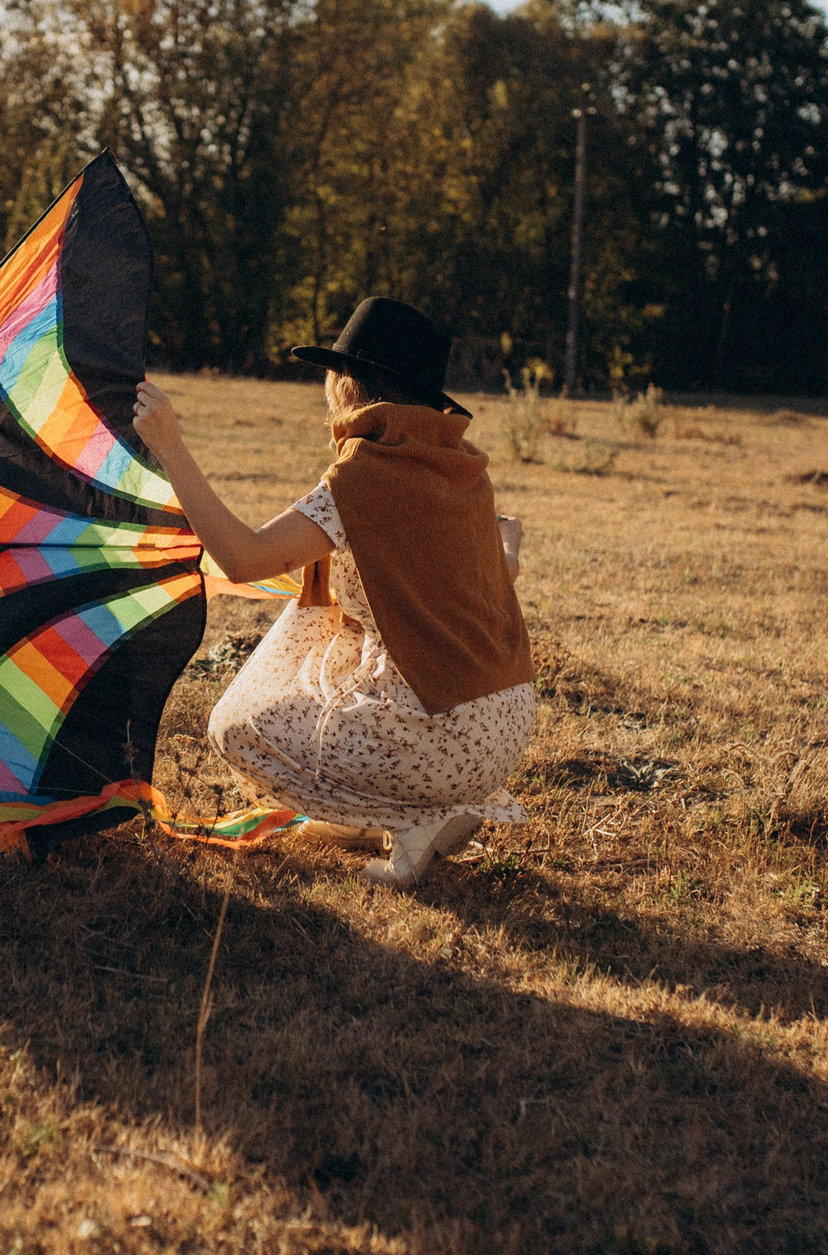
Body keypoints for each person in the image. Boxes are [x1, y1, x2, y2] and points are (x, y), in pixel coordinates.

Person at [131, 297, 536, 888]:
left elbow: (242, 558)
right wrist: (509, 547)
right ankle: (411, 813)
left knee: (236, 729)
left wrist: (169, 445)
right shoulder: (461, 464)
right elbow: (500, 575)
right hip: (505, 725)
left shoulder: (362, 477)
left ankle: (418, 816)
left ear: (349, 385)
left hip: (446, 740)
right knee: (339, 646)